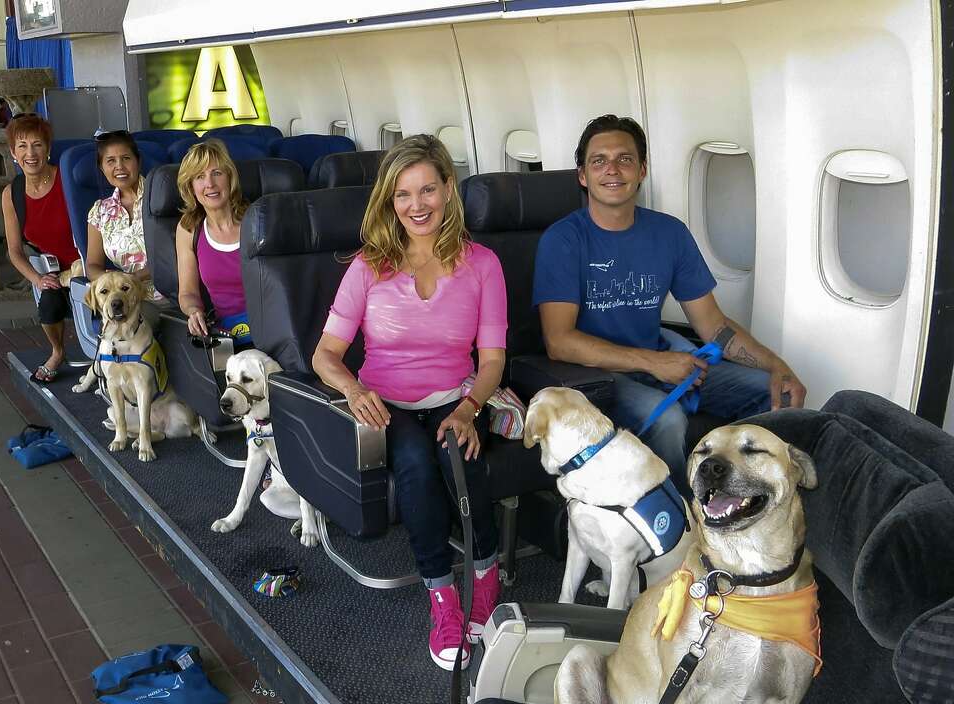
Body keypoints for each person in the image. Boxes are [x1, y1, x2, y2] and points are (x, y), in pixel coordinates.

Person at [312, 135, 508, 672]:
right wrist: (354, 390)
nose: (417, 205)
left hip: (457, 399)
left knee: (458, 457)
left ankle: (487, 576)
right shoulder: (368, 267)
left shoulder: (483, 264)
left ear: (448, 190)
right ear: (389, 202)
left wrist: (469, 408)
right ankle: (443, 597)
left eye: (428, 190)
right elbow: (325, 355)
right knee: (418, 466)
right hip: (388, 405)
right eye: (403, 195)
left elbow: (491, 361)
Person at [533, 114, 806, 491]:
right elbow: (559, 341)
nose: (612, 169)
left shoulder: (669, 233)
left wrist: (777, 365)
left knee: (767, 391)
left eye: (625, 159)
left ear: (642, 169)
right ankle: (678, 526)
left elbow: (713, 324)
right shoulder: (563, 241)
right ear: (582, 175)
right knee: (668, 421)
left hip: (662, 361)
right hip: (597, 375)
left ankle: (736, 498)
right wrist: (655, 362)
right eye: (599, 161)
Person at [1, 114, 79, 383]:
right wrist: (37, 279)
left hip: (86, 262)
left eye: (37, 145)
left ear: (47, 148)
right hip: (53, 269)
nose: (30, 153)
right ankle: (58, 351)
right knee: (48, 301)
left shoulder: (67, 179)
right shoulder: (12, 194)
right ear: (13, 152)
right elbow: (14, 250)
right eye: (22, 146)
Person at [174, 140, 252, 344]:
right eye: (200, 177)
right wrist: (194, 311)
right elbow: (188, 292)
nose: (210, 184)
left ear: (230, 178)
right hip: (223, 335)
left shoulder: (255, 220)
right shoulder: (188, 228)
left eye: (217, 173)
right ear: (191, 186)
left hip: (269, 327)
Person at [86, 130, 154, 291]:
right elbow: (92, 265)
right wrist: (110, 279)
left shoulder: (161, 197)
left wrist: (132, 278)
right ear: (102, 169)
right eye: (110, 161)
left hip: (170, 293)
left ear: (138, 161)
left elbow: (175, 258)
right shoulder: (100, 212)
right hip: (125, 296)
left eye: (126, 158)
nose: (119, 167)